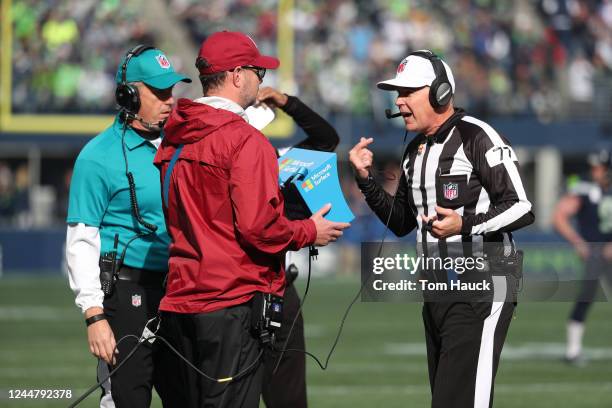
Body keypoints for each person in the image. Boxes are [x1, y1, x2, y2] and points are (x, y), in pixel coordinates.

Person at [154, 31, 350, 408]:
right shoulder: (245, 141)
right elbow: (258, 227)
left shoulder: (175, 136)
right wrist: (311, 231)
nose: (263, 80)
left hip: (181, 298)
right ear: (238, 75)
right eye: (259, 71)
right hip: (231, 299)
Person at [348, 50, 534, 407]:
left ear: (440, 93)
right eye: (397, 94)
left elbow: (522, 206)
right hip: (437, 286)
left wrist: (465, 224)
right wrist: (365, 180)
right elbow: (402, 222)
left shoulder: (476, 136)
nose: (399, 101)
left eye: (408, 92)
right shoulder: (413, 151)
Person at [65, 45, 190, 407]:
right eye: (160, 92)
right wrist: (94, 315)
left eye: (172, 92)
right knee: (126, 399)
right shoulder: (97, 157)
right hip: (125, 290)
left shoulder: (182, 143)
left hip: (176, 289)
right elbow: (81, 240)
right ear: (129, 95)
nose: (170, 101)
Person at [256, 86, 340, 408]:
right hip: (241, 291)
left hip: (276, 288)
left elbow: (325, 139)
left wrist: (286, 101)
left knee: (288, 397)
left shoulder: (278, 164)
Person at [552, 149, 612, 364]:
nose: (595, 172)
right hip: (595, 251)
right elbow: (558, 216)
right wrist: (578, 243)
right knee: (586, 296)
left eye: (599, 168)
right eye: (593, 168)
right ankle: (573, 350)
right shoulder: (584, 189)